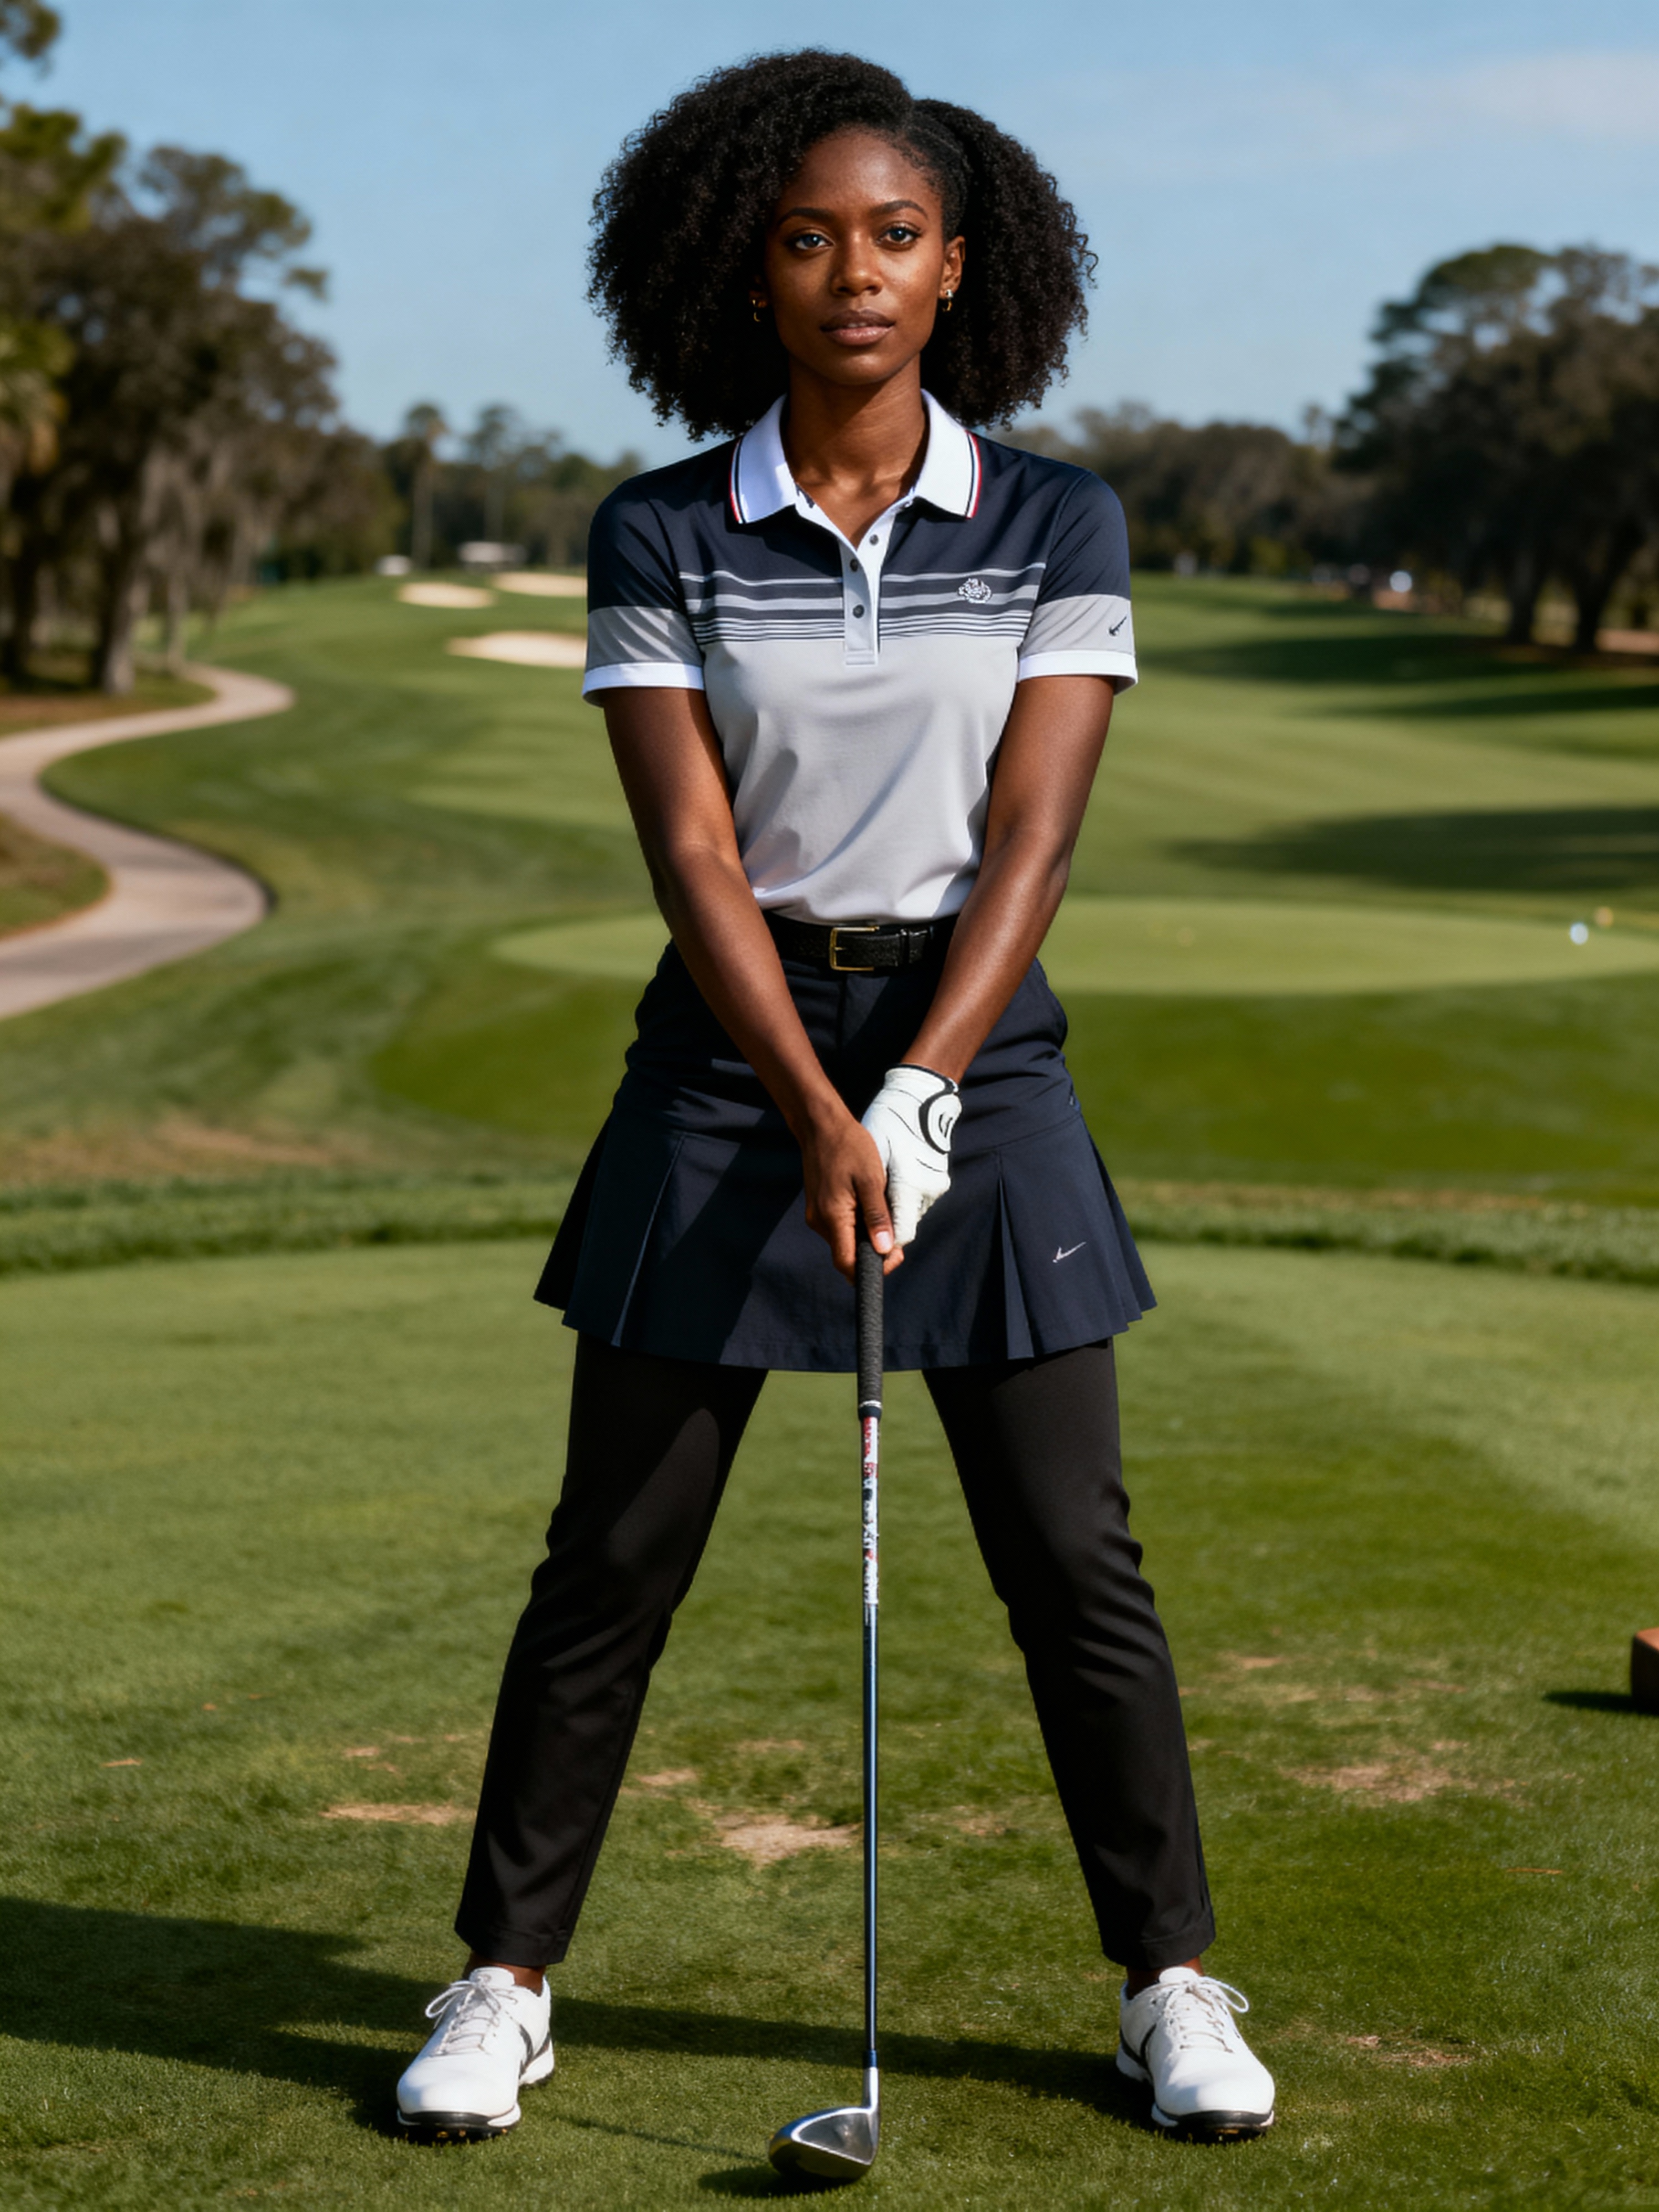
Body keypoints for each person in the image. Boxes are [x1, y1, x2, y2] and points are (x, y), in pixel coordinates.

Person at [395, 49, 1275, 2147]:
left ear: (960, 267)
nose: (855, 274)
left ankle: (1168, 1981)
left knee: (1073, 1557)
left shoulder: (1054, 518)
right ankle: (504, 1981)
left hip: (983, 1038)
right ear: (748, 268)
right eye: (810, 239)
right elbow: (695, 855)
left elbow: (1035, 831)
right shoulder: (662, 530)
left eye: (895, 236)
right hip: (733, 1057)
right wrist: (814, 1104)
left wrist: (932, 1088)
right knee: (613, 1557)